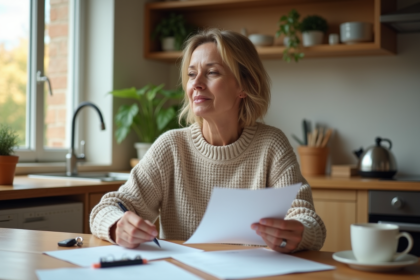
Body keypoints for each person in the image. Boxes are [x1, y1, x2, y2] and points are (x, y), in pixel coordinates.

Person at [90, 28, 326, 253]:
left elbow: (307, 218)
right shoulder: (171, 147)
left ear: (244, 85)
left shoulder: (271, 144)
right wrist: (116, 224)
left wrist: (299, 232)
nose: (196, 84)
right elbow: (107, 207)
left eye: (212, 72)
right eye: (192, 74)